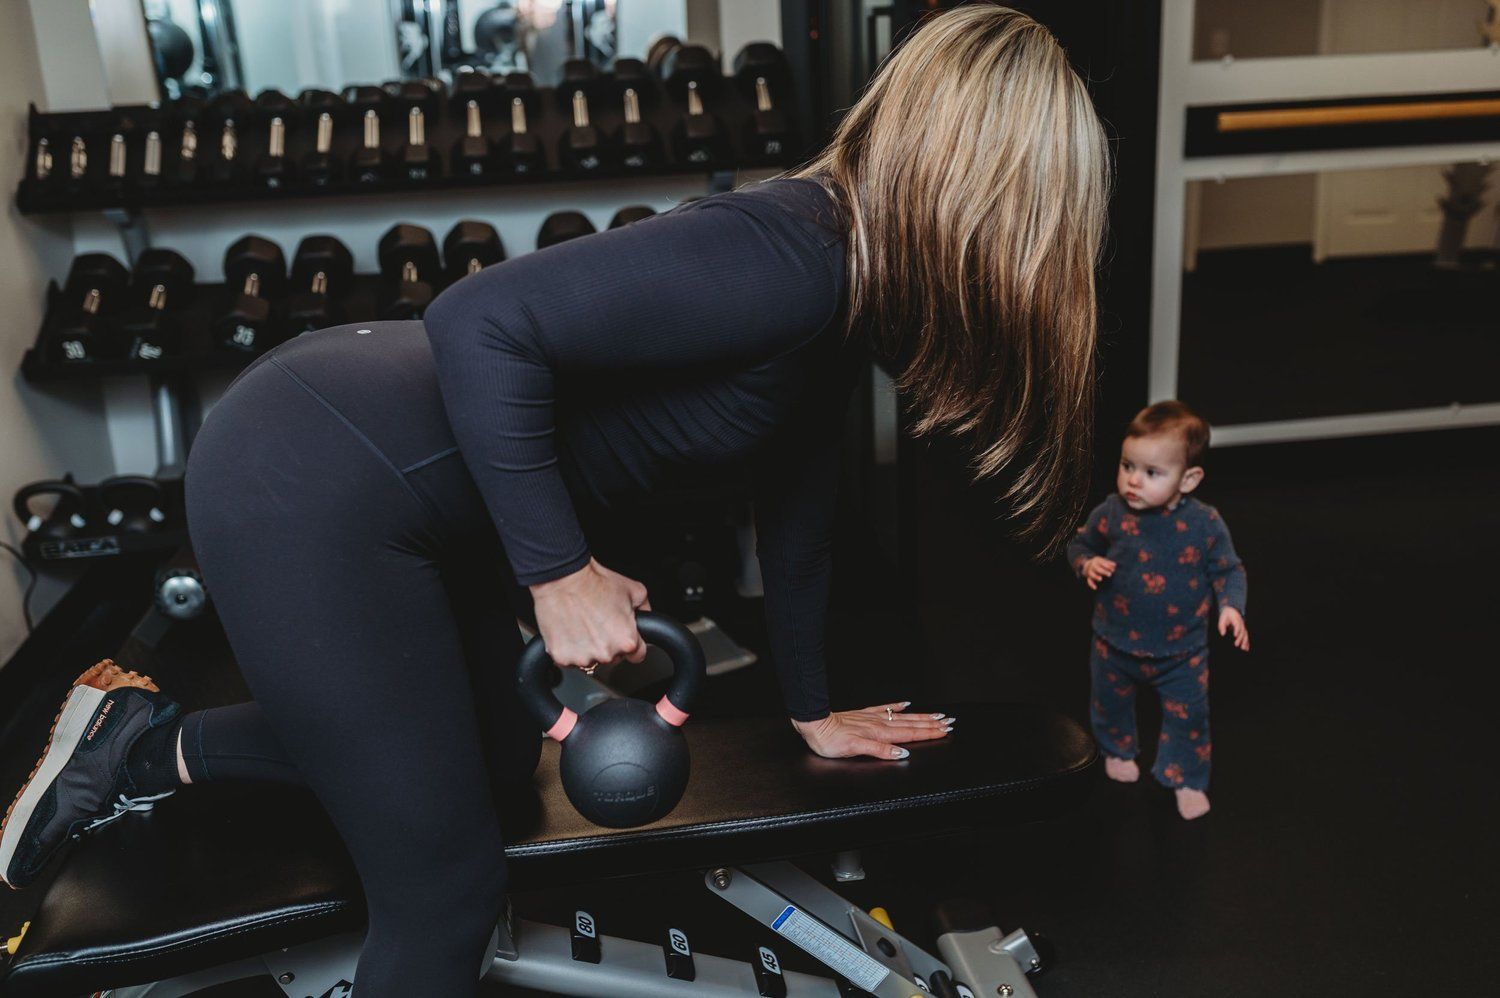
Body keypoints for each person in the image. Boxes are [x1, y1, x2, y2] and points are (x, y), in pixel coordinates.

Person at [0, 6, 1111, 994]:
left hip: (390, 493)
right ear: (989, 184)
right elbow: (480, 320)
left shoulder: (839, 282)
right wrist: (557, 570)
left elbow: (800, 503)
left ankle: (143, 747)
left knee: (487, 766)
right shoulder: (790, 249)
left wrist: (813, 706)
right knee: (444, 891)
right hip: (314, 477)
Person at [1066, 401, 1250, 821]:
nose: (1133, 481)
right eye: (1127, 465)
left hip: (1181, 653)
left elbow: (1229, 569)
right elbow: (1079, 545)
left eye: (1151, 473)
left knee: (1190, 717)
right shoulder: (1112, 512)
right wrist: (1086, 564)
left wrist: (1231, 608)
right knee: (1108, 703)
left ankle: (1185, 776)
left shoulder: (1205, 524)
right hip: (1114, 643)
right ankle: (1117, 748)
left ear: (1189, 479)